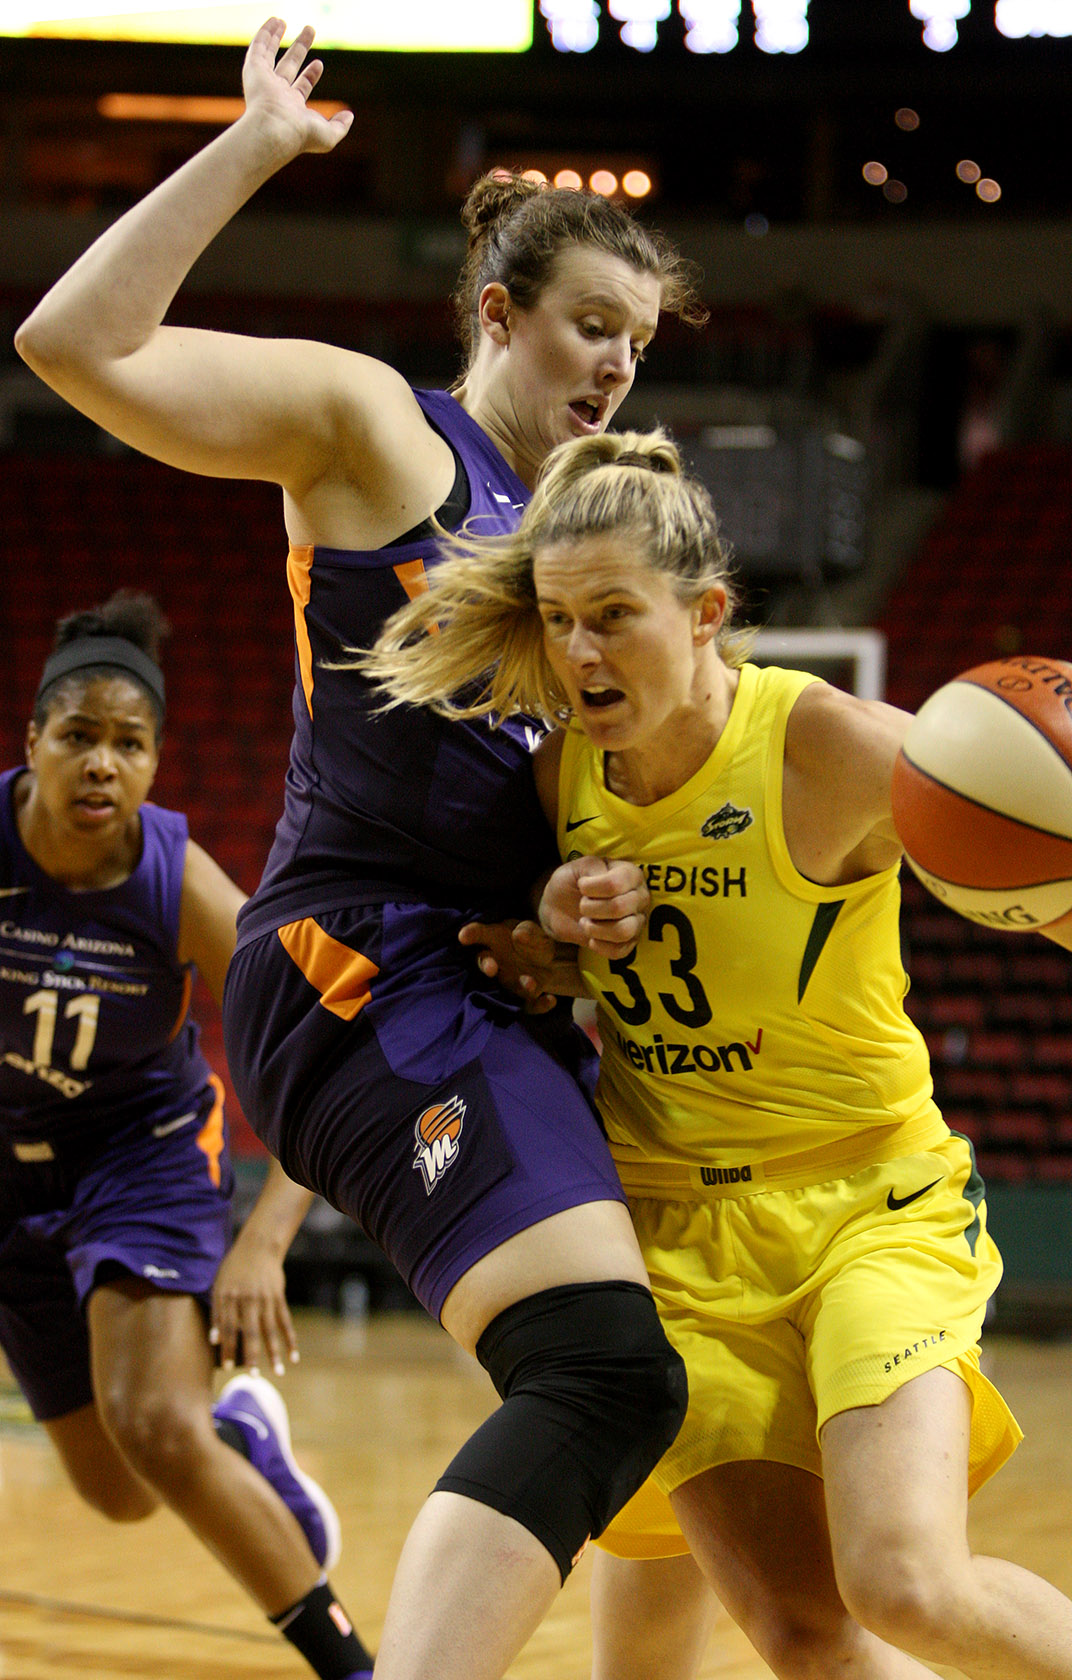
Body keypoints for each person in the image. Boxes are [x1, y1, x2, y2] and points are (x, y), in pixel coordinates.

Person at [15, 21, 710, 1680]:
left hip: (470, 981)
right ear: (496, 314)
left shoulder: (586, 546)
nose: (616, 367)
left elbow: (542, 827)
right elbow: (75, 341)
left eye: (640, 342)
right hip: (354, 962)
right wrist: (253, 143)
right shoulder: (382, 438)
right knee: (611, 1372)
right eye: (588, 327)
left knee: (666, 1381)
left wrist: (564, 908)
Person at [361, 426, 1072, 1680]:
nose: (579, 651)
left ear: (705, 615)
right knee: (804, 1636)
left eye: (613, 616)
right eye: (560, 620)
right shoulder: (560, 783)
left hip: (869, 1206)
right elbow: (526, 967)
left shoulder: (827, 745)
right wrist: (549, 936)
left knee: (904, 1581)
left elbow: (1014, 839)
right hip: (680, 1243)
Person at [0, 590, 373, 1680]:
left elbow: (326, 1054)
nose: (102, 766)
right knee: (119, 1492)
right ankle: (243, 1442)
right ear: (30, 746)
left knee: (154, 1427)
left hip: (137, 1155)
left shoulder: (181, 886)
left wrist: (263, 1243)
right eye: (79, 738)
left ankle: (353, 1664)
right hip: (9, 1166)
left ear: (158, 764)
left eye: (129, 744)